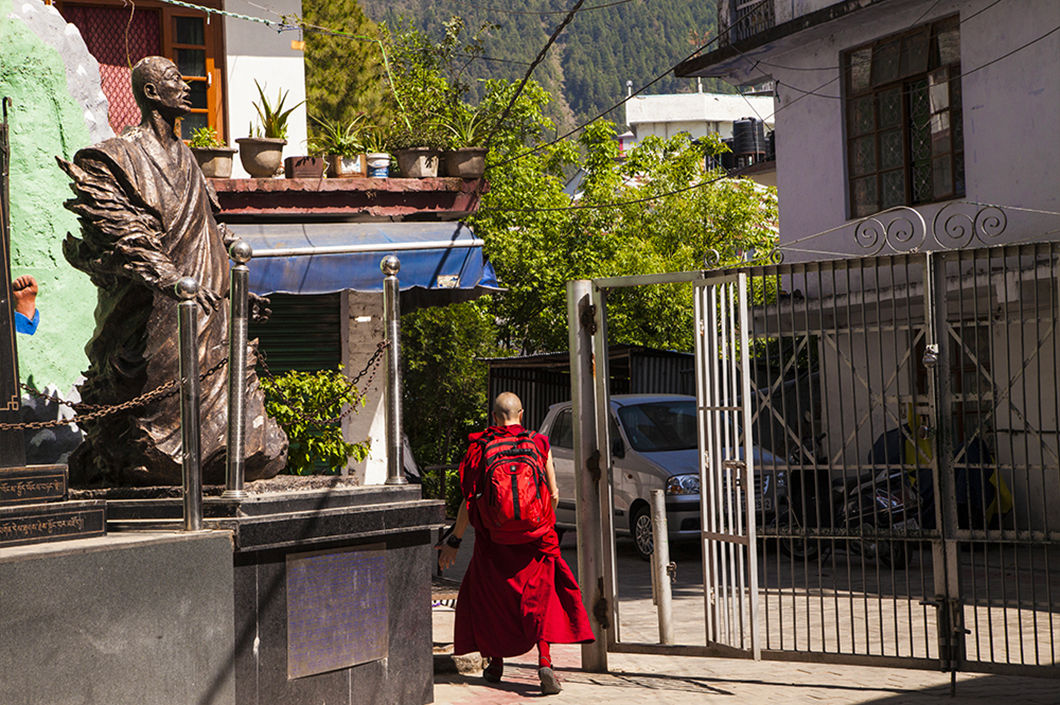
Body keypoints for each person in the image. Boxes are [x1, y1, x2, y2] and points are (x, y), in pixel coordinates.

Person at [58, 56, 287, 485]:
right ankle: (153, 454)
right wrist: (169, 280)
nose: (185, 87)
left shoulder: (189, 161)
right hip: (162, 308)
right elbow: (124, 235)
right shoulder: (116, 158)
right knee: (159, 400)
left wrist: (236, 290)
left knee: (228, 398)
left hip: (209, 303)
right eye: (173, 80)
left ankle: (230, 451)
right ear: (150, 93)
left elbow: (210, 229)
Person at [437, 392, 594, 695]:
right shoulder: (537, 443)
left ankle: (495, 662)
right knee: (542, 597)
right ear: (521, 414)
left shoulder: (480, 447)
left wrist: (454, 541)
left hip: (494, 541)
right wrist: (540, 523)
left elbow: (469, 503)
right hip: (537, 539)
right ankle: (545, 662)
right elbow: (553, 493)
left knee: (491, 598)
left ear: (494, 417)